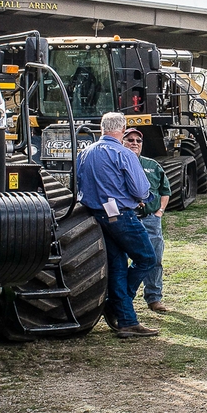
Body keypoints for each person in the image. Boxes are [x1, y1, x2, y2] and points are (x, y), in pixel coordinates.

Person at [76, 112, 160, 338]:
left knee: (118, 266)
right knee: (147, 258)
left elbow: (79, 185)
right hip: (121, 215)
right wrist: (142, 197)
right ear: (122, 129)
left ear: (102, 128)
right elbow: (141, 190)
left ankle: (126, 320)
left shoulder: (84, 153)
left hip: (96, 216)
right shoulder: (123, 154)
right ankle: (117, 307)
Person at [123, 127, 171, 313]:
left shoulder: (152, 165)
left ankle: (154, 298)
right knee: (122, 260)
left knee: (155, 259)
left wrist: (159, 212)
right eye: (130, 140)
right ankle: (125, 300)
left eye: (138, 140)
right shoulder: (118, 164)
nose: (135, 143)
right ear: (122, 142)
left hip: (151, 220)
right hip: (128, 219)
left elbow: (165, 190)